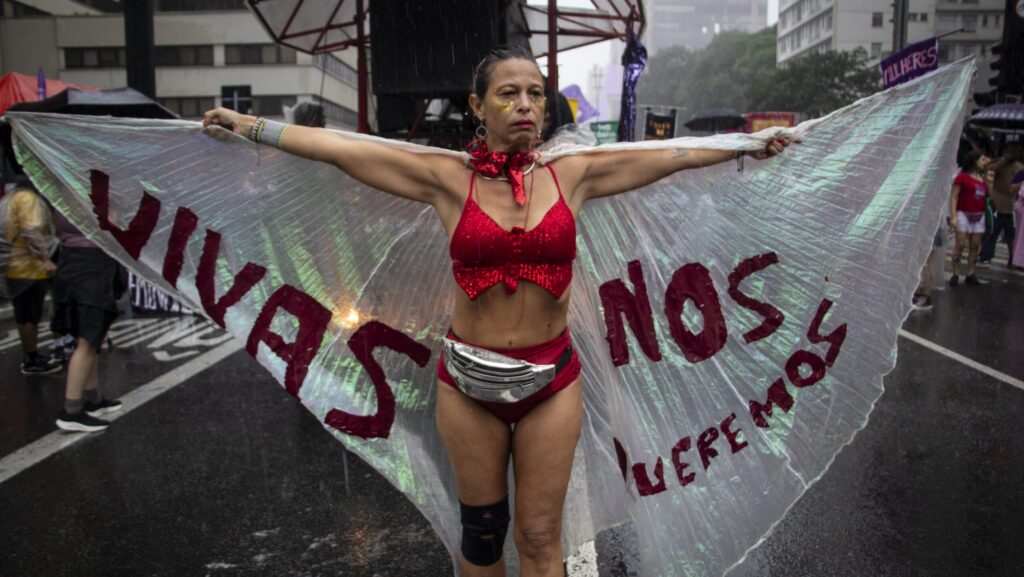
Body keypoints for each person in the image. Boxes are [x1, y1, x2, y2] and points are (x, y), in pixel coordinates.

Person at [203, 45, 791, 577]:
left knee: (539, 536)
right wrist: (250, 126)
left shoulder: (573, 174)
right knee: (483, 539)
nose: (525, 105)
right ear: (477, 107)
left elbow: (672, 154)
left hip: (552, 382)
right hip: (467, 386)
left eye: (535, 93)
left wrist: (744, 145)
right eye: (508, 94)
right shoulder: (445, 179)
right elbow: (343, 151)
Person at [51, 209, 125, 432]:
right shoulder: (85, 195)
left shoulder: (60, 192)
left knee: (90, 340)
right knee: (87, 342)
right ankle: (71, 411)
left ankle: (94, 400)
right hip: (92, 266)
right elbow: (109, 224)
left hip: (73, 261)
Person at [1, 184, 61, 375]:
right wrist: (45, 259)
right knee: (29, 315)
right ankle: (31, 359)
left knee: (24, 314)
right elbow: (31, 231)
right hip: (29, 267)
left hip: (15, 265)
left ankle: (31, 355)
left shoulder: (10, 198)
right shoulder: (27, 198)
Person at [948, 151, 989, 286]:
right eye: (982, 160)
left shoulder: (983, 179)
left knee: (975, 246)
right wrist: (953, 216)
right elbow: (954, 197)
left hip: (979, 215)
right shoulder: (962, 177)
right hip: (963, 213)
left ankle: (971, 273)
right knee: (960, 244)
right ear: (974, 161)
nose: (985, 163)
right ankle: (955, 273)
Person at [979, 143, 1022, 267]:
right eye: (1012, 150)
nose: (1015, 153)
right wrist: (1004, 159)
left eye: (1017, 151)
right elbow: (990, 169)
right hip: (996, 205)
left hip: (1011, 207)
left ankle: (1013, 259)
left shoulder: (1019, 167)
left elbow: (1015, 187)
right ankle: (986, 256)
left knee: (1011, 237)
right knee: (992, 233)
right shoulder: (999, 163)